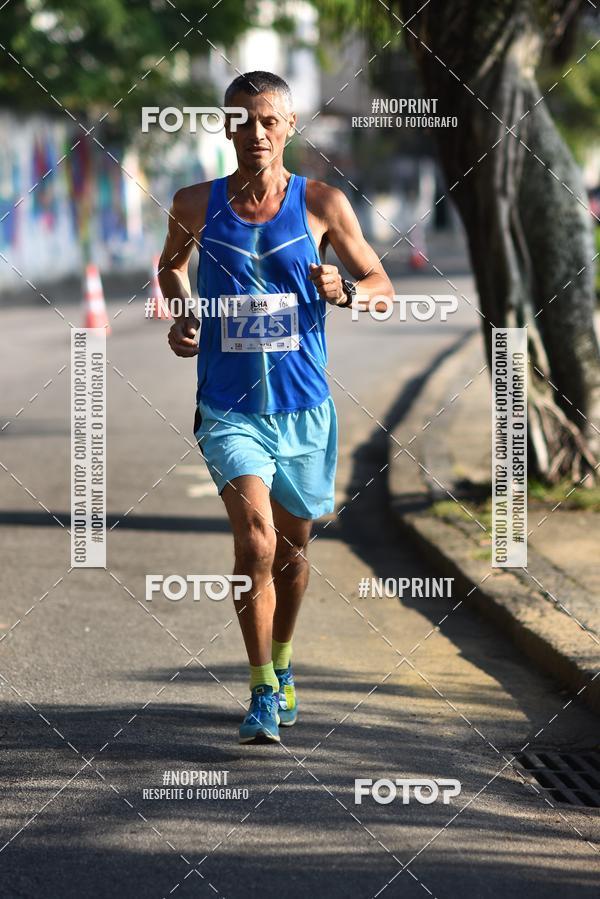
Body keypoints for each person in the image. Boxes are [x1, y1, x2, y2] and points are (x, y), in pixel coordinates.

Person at [159, 71, 393, 745]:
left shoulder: (322, 203)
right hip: (229, 408)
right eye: (243, 120)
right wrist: (183, 313)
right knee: (255, 541)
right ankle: (261, 687)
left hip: (304, 408)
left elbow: (383, 286)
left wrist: (346, 289)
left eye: (269, 120)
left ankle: (285, 664)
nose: (256, 132)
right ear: (226, 127)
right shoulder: (195, 203)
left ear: (289, 127)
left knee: (291, 554)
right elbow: (171, 265)